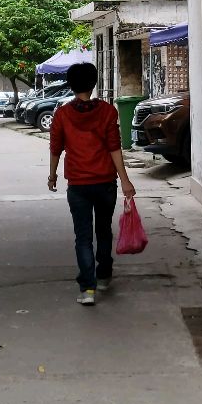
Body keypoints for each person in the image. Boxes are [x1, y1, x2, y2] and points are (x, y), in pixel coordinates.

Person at [47, 62, 136, 305]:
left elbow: (56, 148)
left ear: (71, 84)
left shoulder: (62, 114)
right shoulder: (108, 111)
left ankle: (88, 289)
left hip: (78, 185)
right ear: (94, 82)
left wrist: (52, 175)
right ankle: (104, 275)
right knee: (104, 230)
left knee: (83, 237)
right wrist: (125, 181)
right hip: (105, 182)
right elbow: (114, 148)